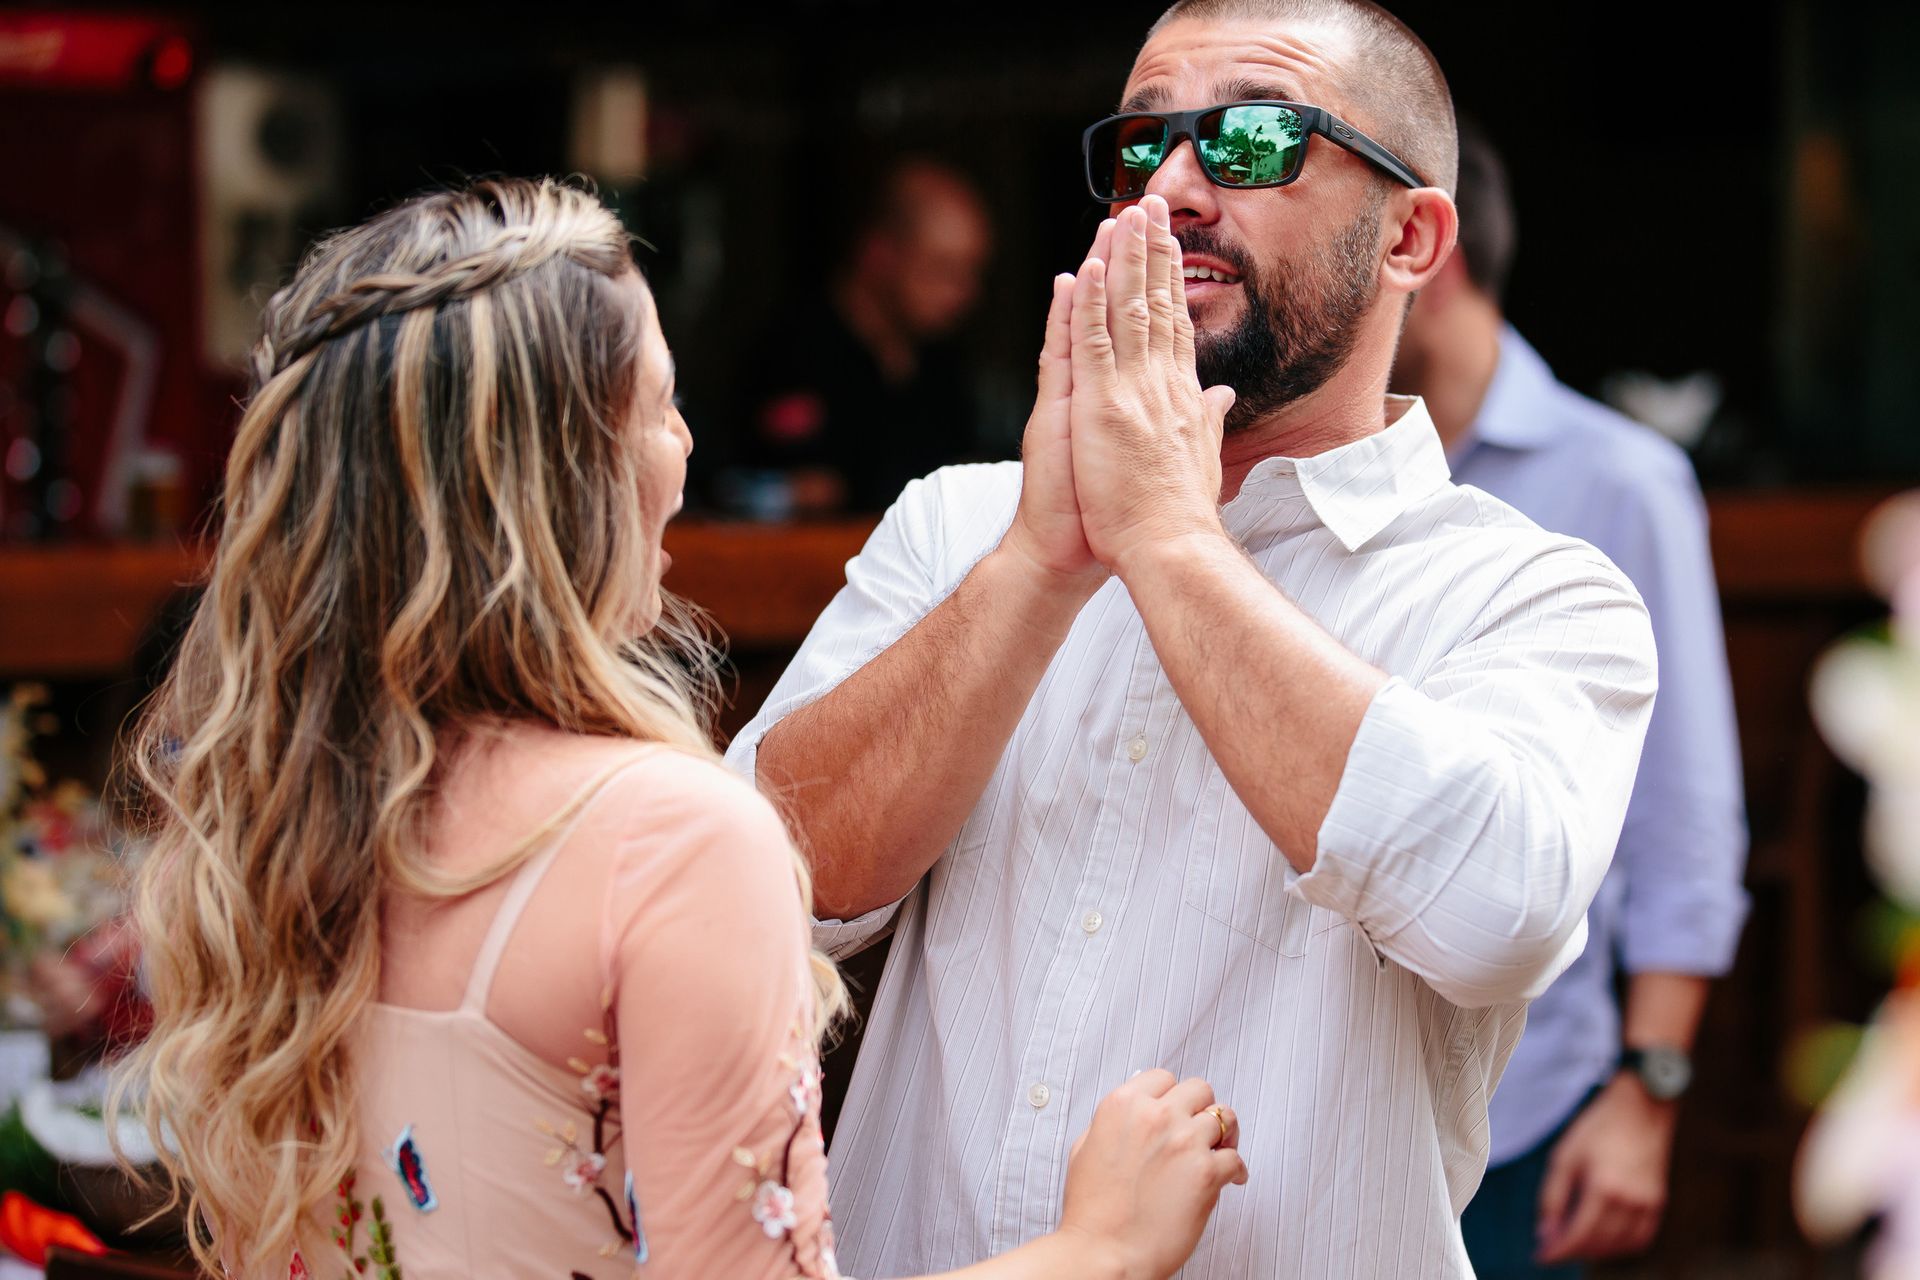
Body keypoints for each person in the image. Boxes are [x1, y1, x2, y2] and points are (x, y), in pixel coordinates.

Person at [112, 178, 1246, 1280]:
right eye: (659, 404)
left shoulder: (288, 813)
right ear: (557, 471)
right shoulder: (671, 840)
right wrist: (1099, 1244)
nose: (687, 448)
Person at [732, 3, 1662, 1277]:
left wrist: (1169, 539)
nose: (1170, 188)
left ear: (1412, 235)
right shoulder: (963, 527)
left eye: (1252, 140)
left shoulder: (1530, 592)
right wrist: (1039, 564)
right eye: (1142, 145)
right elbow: (759, 893)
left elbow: (1498, 914)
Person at [1391, 125, 1749, 1278]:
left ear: (1422, 251)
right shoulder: (1299, 468)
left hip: (1526, 1114)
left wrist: (1648, 1092)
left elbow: (1684, 820)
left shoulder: (1622, 479)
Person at [732, 158, 993, 513]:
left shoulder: (944, 364)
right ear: (879, 253)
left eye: (972, 271)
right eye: (942, 269)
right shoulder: (793, 351)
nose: (963, 292)